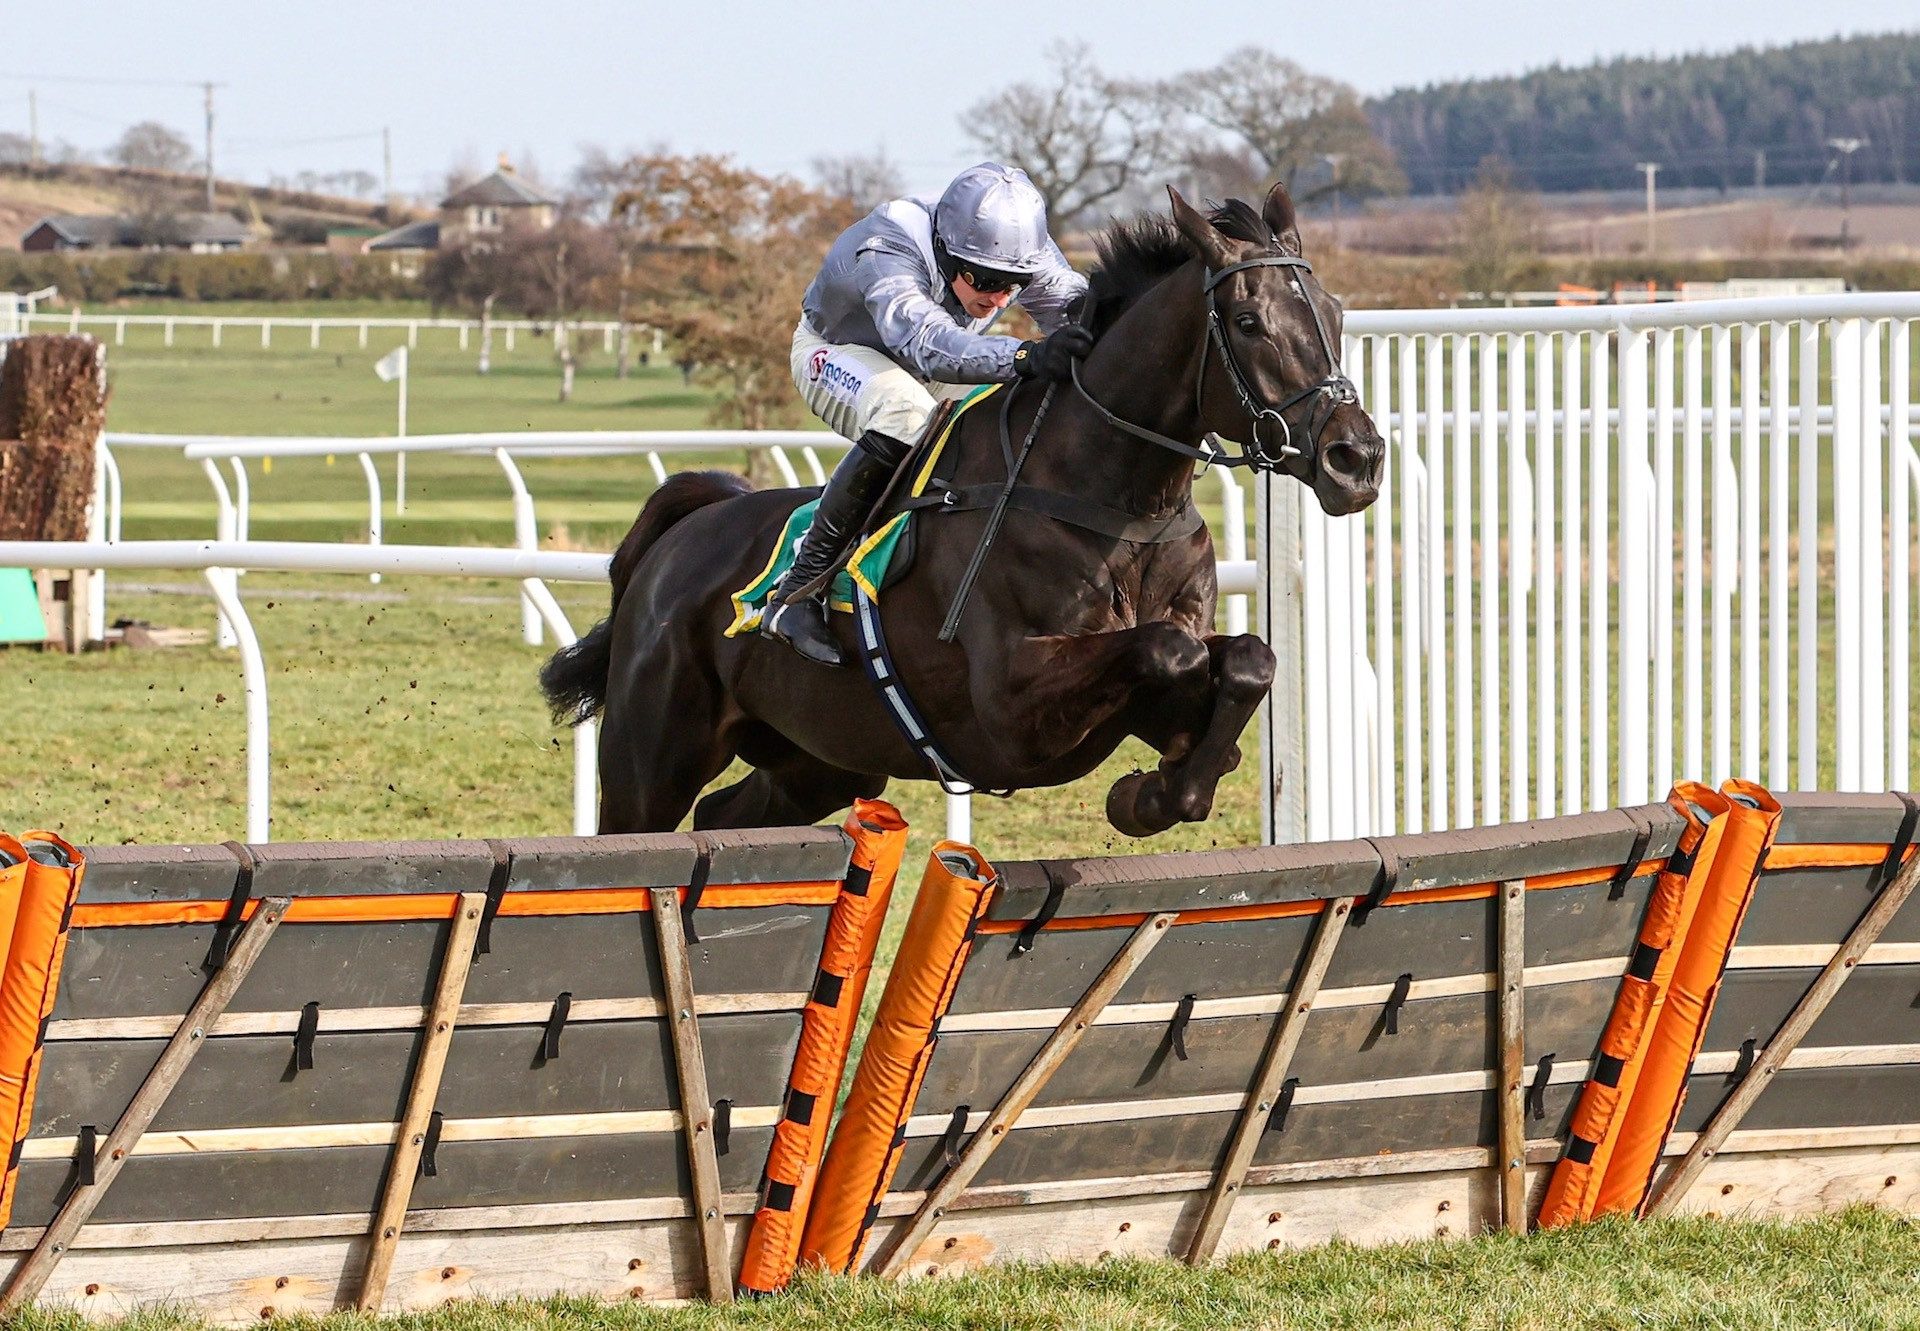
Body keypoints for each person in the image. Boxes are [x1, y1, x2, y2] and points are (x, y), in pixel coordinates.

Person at [764, 162, 1093, 666]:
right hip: (838, 351)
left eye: (1015, 284)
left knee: (1014, 408)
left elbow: (1075, 308)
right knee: (907, 412)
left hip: (934, 362)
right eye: (986, 280)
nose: (1000, 298)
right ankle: (797, 592)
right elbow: (925, 344)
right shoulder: (887, 247)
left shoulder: (1018, 246)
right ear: (945, 248)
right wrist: (1026, 354)